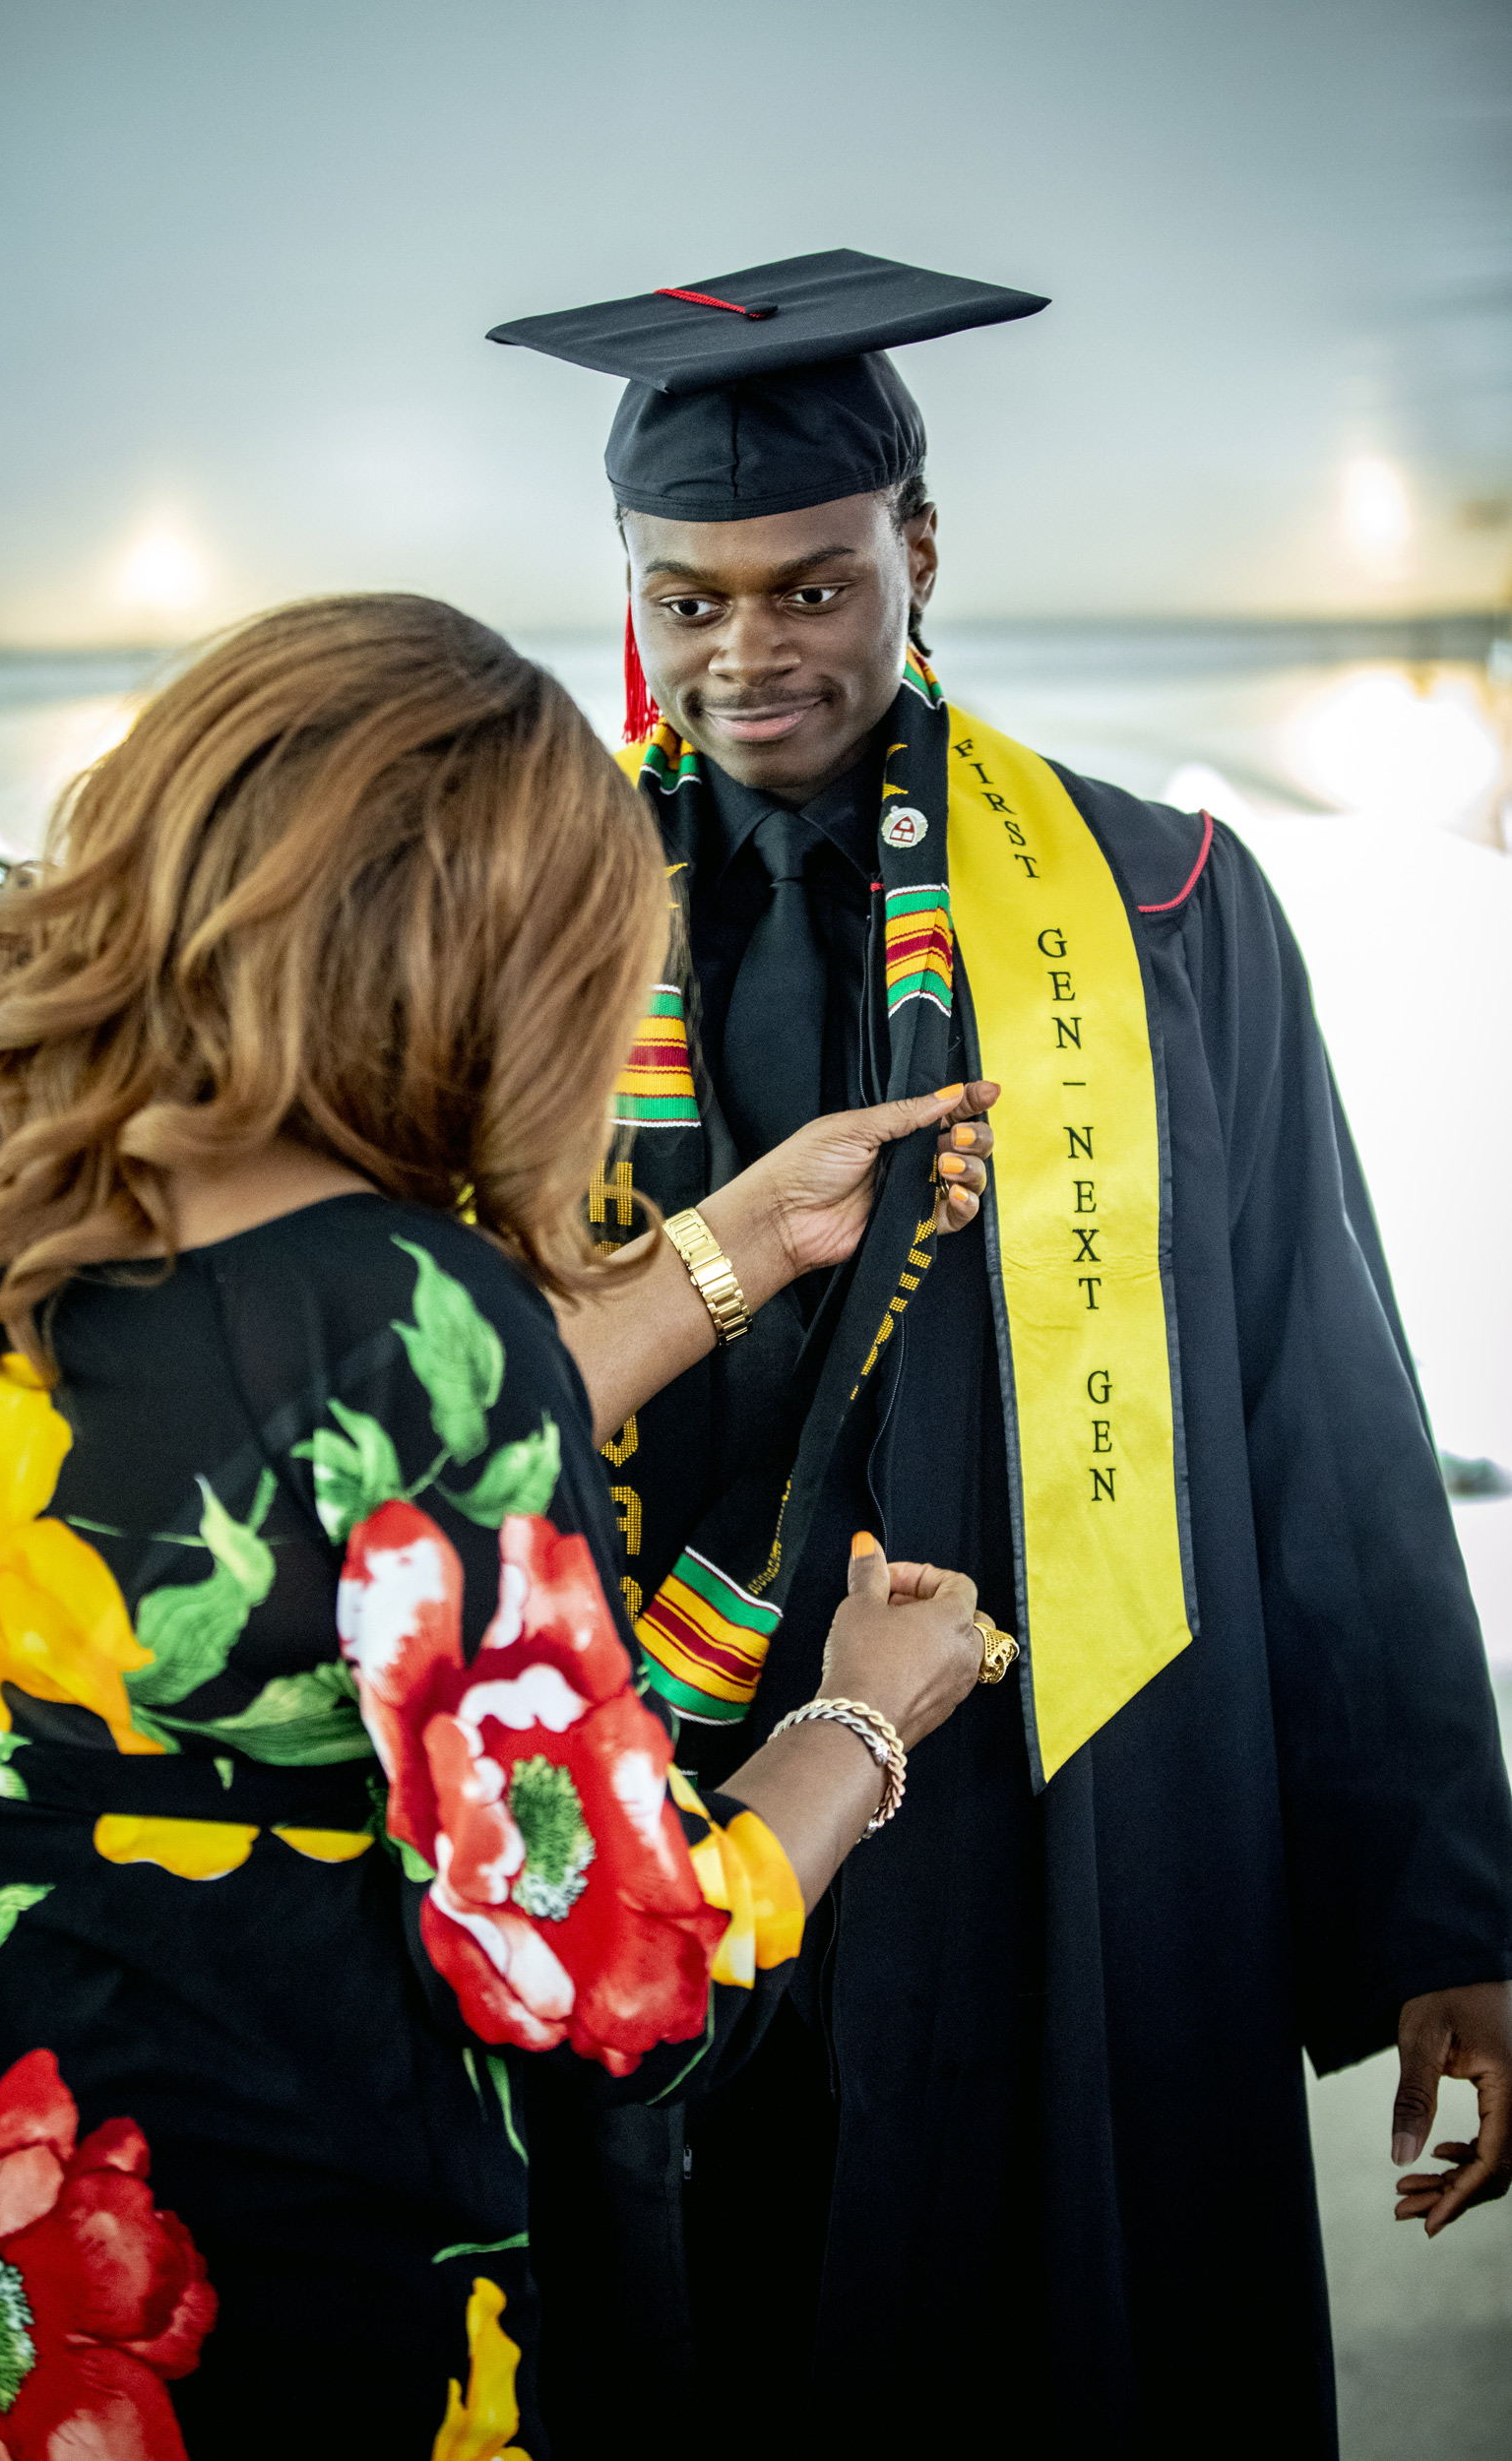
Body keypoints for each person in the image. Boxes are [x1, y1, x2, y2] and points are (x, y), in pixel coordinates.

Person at [489, 251, 1512, 2457]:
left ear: (917, 553)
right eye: (689, 598)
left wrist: (1449, 1898)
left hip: (1083, 1803)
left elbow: (1319, 1391)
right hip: (685, 1781)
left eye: (810, 586)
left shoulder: (1161, 904)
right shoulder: (528, 930)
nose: (747, 649)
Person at [0, 592, 990, 2459]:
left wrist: (732, 1248)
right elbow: (620, 1989)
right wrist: (858, 1727)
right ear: (495, 962)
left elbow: (277, 1505)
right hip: (278, 2280)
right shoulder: (410, 1312)